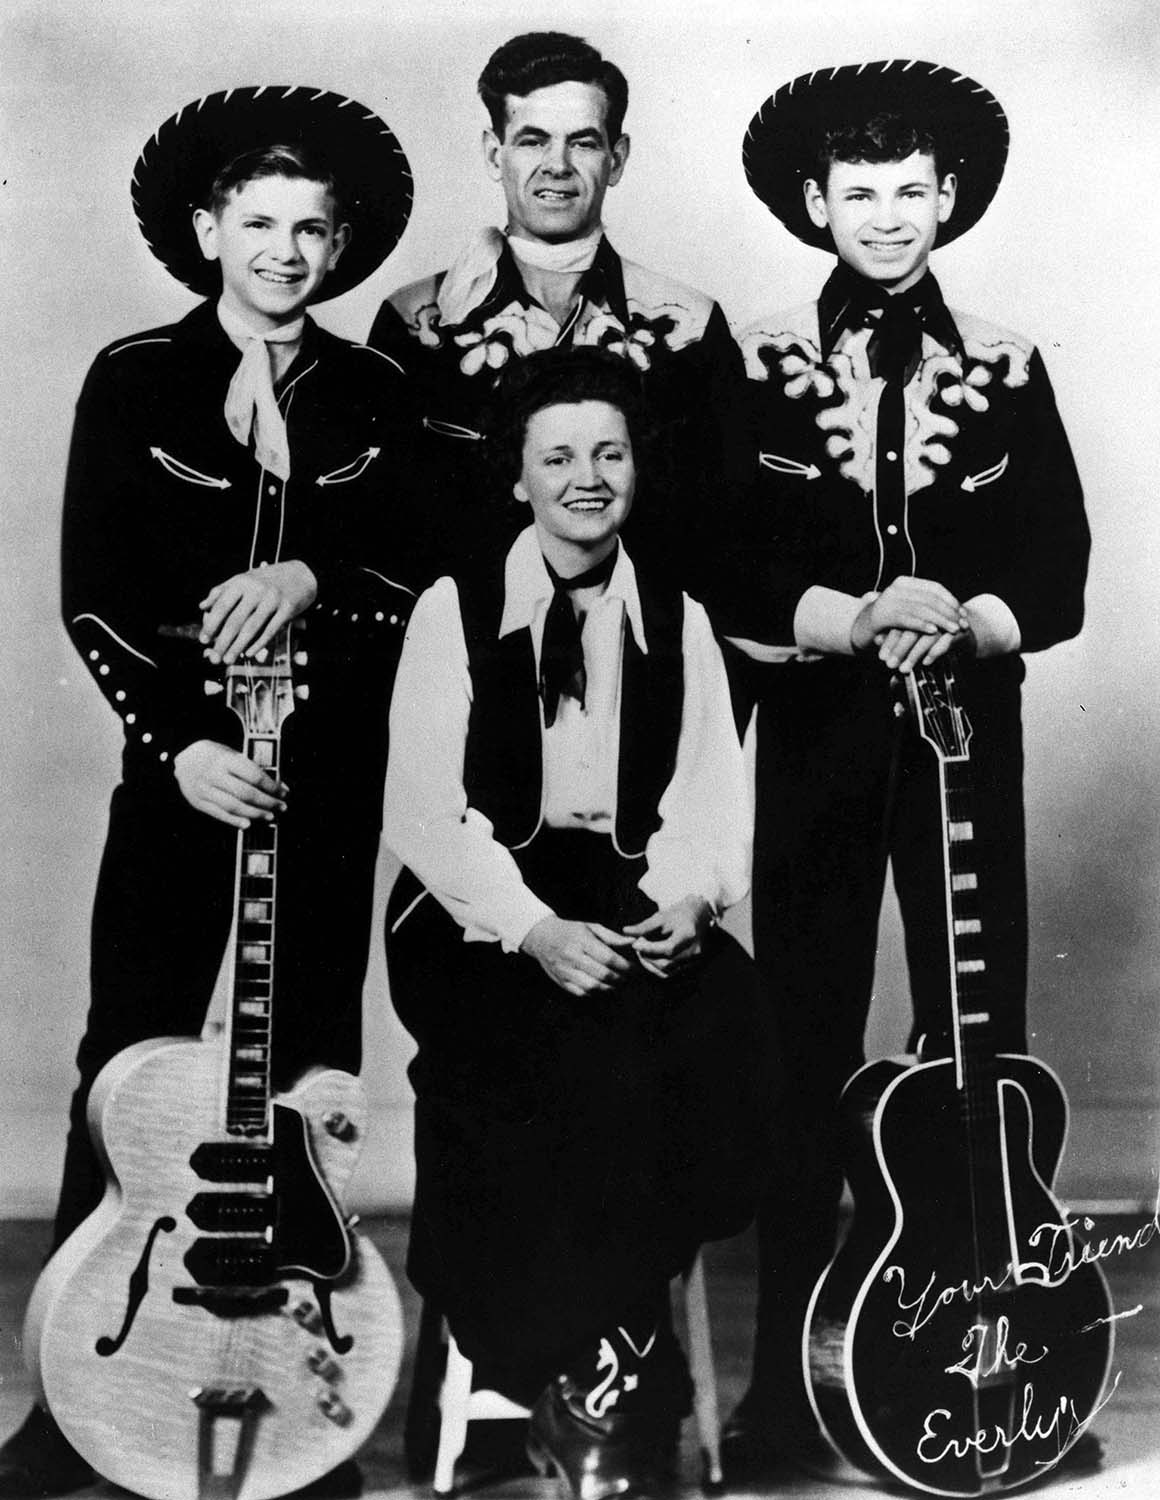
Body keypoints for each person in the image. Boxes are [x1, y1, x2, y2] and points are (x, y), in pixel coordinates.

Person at [0, 87, 423, 1497]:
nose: (286, 253)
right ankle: (75, 1407)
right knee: (125, 1061)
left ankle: (299, 1399)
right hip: (184, 771)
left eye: (312, 229)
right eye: (258, 227)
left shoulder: (378, 394)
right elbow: (97, 598)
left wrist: (312, 574)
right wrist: (178, 745)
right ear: (205, 230)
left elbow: (421, 571)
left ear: (343, 238)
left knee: (305, 1062)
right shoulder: (137, 378)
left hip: (328, 774)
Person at [705, 61, 1092, 1478]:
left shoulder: (1007, 358)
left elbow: (1058, 565)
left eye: (908, 192)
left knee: (972, 1051)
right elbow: (720, 550)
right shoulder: (746, 359)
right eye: (856, 193)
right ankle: (786, 1391)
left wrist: (963, 618)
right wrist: (849, 620)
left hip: (968, 738)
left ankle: (993, 1370)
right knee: (803, 1047)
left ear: (948, 200)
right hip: (812, 733)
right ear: (816, 204)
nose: (885, 217)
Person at [382, 347, 778, 1499]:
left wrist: (690, 904)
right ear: (517, 479)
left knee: (720, 1028)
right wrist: (530, 929)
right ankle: (593, 1369)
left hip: (628, 892)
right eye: (557, 457)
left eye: (607, 452)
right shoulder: (453, 607)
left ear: (635, 468)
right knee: (561, 1061)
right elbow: (422, 810)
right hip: (479, 915)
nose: (586, 478)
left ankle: (601, 1368)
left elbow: (712, 793)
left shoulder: (681, 615)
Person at [368, 30, 741, 589]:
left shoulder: (688, 326)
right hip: (465, 647)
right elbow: (382, 521)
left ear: (616, 159)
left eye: (584, 143)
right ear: (495, 155)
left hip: (642, 645)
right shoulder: (417, 321)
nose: (557, 165)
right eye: (532, 141)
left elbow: (724, 531)